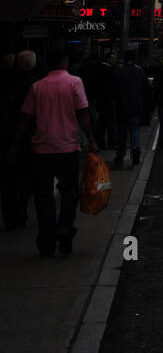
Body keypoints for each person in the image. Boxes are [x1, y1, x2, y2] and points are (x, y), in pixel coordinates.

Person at [8, 46, 98, 256]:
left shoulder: (37, 87)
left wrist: (14, 144)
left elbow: (26, 118)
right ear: (65, 61)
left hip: (42, 149)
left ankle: (47, 237)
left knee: (43, 194)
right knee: (69, 191)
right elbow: (83, 115)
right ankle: (65, 228)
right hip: (67, 147)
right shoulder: (75, 83)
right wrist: (92, 140)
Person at [0, 51, 41, 230]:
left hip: (8, 135)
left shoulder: (7, 82)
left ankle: (10, 216)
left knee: (9, 180)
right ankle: (22, 206)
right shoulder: (36, 85)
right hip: (30, 137)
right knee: (28, 177)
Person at [113, 52, 149, 168]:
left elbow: (113, 90)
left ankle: (120, 154)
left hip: (121, 107)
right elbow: (147, 88)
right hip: (135, 106)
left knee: (122, 133)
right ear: (134, 59)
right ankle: (135, 153)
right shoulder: (139, 72)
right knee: (135, 131)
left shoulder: (118, 72)